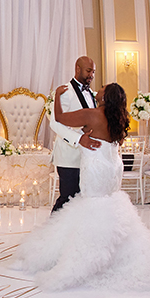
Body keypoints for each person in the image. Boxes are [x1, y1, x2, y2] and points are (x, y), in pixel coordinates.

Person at [13, 83, 150, 292]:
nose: (99, 87)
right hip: (113, 168)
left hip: (96, 168)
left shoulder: (92, 115)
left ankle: (83, 257)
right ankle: (114, 256)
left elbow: (59, 119)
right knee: (108, 204)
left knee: (91, 206)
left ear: (105, 97)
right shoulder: (120, 117)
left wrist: (58, 98)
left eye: (103, 87)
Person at [49, 56, 101, 213]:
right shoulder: (65, 92)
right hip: (68, 156)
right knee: (67, 199)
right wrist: (78, 139)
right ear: (77, 69)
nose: (91, 75)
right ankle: (52, 233)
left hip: (87, 157)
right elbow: (54, 123)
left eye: (93, 71)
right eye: (88, 71)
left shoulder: (91, 93)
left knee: (81, 200)